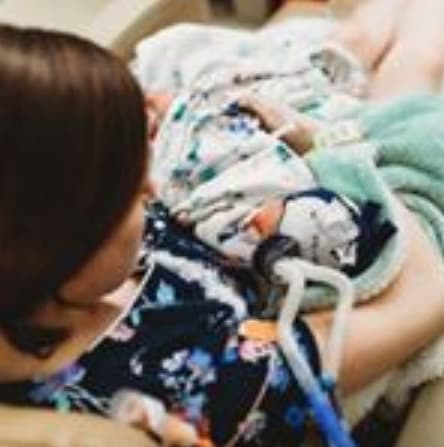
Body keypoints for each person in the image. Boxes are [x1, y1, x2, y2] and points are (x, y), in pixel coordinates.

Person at [0, 1, 443, 446]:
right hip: (358, 219)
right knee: (410, 67)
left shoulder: (54, 263)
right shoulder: (200, 384)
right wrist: (329, 145)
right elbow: (428, 294)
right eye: (135, 193)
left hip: (251, 186)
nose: (152, 192)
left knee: (352, 41)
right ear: (60, 248)